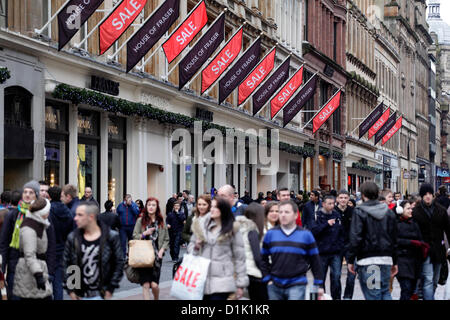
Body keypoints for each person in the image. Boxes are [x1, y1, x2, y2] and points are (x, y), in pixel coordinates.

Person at [0, 182, 56, 300]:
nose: (27, 195)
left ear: (36, 195)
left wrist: (50, 271)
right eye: (25, 192)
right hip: (16, 266)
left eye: (31, 192)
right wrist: (2, 267)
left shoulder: (44, 215)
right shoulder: (13, 215)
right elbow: (4, 244)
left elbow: (51, 244)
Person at [261, 199, 324, 300]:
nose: (283, 215)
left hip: (297, 283)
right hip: (275, 284)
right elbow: (263, 259)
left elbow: (315, 261)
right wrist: (267, 279)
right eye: (280, 212)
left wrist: (319, 284)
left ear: (295, 215)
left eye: (287, 212)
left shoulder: (306, 235)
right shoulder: (271, 234)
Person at [188, 197, 248, 300]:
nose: (211, 209)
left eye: (215, 207)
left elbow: (240, 258)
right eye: (211, 206)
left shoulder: (232, 229)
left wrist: (240, 284)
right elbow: (191, 249)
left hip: (223, 281)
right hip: (202, 278)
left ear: (223, 209)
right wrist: (197, 246)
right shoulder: (201, 226)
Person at [347, 182, 398, 300]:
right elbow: (394, 238)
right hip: (385, 258)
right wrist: (395, 261)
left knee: (373, 294)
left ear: (363, 195)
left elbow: (355, 237)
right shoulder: (389, 212)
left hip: (367, 259)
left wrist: (350, 259)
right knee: (385, 291)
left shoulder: (359, 211)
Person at [63, 202, 124, 300]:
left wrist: (110, 289)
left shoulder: (111, 237)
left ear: (91, 217)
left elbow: (118, 263)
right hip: (80, 295)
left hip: (101, 294)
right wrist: (72, 291)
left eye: (80, 215)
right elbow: (68, 264)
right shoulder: (73, 237)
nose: (75, 218)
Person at [412, 183, 450, 300]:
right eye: (425, 194)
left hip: (438, 250)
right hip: (424, 250)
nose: (428, 196)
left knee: (435, 280)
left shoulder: (441, 210)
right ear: (422, 196)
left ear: (433, 195)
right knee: (428, 279)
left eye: (430, 194)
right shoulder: (416, 212)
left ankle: (428, 296)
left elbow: (448, 229)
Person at [13, 198, 53, 300]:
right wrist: (39, 275)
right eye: (48, 211)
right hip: (30, 274)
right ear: (43, 212)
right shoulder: (29, 228)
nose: (49, 213)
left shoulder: (38, 224)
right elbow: (29, 254)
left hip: (34, 271)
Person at [132, 197, 169, 300]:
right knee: (146, 285)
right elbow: (134, 236)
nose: (151, 207)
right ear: (146, 207)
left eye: (153, 205)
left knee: (154, 285)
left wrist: (162, 251)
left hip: (157, 258)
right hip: (143, 257)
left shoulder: (161, 221)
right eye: (149, 205)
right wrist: (144, 233)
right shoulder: (140, 220)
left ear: (157, 207)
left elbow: (166, 239)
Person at [312, 196, 345, 300]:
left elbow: (341, 232)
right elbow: (313, 231)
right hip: (321, 252)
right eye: (329, 203)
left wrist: (341, 246)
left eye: (333, 203)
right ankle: (321, 298)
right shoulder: (317, 215)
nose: (332, 206)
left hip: (335, 252)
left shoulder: (337, 215)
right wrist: (326, 224)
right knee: (320, 279)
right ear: (323, 204)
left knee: (336, 277)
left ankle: (336, 298)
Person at [396, 200, 428, 300]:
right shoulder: (396, 224)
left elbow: (420, 239)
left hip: (415, 262)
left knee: (411, 291)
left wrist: (423, 247)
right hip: (402, 261)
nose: (411, 211)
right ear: (401, 210)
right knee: (406, 288)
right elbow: (395, 241)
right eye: (408, 208)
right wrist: (411, 242)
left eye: (411, 208)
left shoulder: (414, 223)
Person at [235, 203, 267, 300]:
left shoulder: (243, 229)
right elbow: (257, 256)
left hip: (248, 271)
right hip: (256, 273)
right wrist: (265, 271)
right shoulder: (253, 231)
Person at [48, 186, 74, 300]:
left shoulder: (48, 210)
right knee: (58, 282)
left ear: (49, 196)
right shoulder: (67, 211)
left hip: (49, 249)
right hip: (63, 247)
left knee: (47, 280)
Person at [335, 190, 356, 300]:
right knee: (336, 275)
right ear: (337, 199)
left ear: (348, 199)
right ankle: (337, 296)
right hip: (337, 247)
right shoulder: (333, 211)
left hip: (350, 246)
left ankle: (348, 296)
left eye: (345, 198)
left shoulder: (353, 211)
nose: (343, 200)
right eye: (341, 197)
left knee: (351, 275)